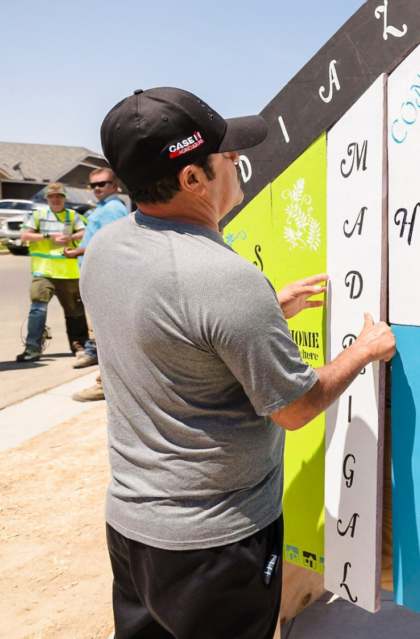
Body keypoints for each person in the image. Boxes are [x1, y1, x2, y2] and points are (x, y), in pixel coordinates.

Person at [83, 87, 396, 639]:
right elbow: (297, 407)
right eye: (226, 155)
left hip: (132, 528)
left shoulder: (106, 248)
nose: (237, 160)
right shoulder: (224, 279)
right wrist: (364, 348)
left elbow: (164, 331)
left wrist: (264, 313)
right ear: (192, 180)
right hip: (214, 546)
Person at [62, 168, 129, 401]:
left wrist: (79, 250)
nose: (97, 188)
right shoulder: (104, 208)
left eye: (102, 183)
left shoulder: (112, 209)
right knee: (103, 336)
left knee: (106, 337)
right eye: (93, 185)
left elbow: (114, 244)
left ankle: (105, 386)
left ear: (115, 185)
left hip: (105, 280)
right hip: (98, 278)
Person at [15, 182, 89, 362]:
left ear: (65, 198)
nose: (55, 200)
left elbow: (86, 232)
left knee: (75, 312)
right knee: (37, 309)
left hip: (69, 273)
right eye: (52, 196)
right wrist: (48, 236)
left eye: (59, 196)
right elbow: (25, 236)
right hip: (43, 271)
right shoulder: (38, 215)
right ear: (47, 198)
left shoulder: (73, 216)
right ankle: (32, 348)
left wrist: (71, 237)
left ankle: (79, 347)